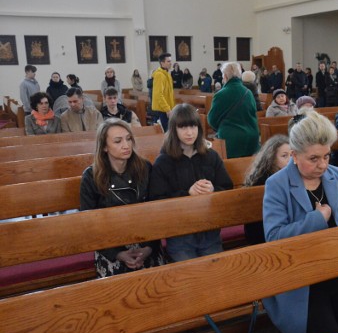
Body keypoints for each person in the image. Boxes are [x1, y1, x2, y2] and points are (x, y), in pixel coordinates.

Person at [262, 109, 338, 333]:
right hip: (302, 275)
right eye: (313, 159)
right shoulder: (277, 185)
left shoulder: (335, 176)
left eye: (326, 156)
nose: (322, 164)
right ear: (294, 155)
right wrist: (317, 218)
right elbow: (274, 238)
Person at [80, 119, 166, 278]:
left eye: (128, 139)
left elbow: (156, 212)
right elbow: (89, 225)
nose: (126, 145)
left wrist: (148, 248)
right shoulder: (91, 177)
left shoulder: (145, 167)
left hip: (147, 240)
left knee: (156, 280)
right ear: (104, 147)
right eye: (118, 141)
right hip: (110, 244)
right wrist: (117, 253)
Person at [149, 104, 232, 262]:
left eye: (193, 126)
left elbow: (227, 187)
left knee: (217, 276)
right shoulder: (163, 162)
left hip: (209, 231)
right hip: (180, 236)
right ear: (174, 130)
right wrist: (187, 194)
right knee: (191, 280)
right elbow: (157, 201)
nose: (189, 132)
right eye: (183, 127)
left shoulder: (211, 156)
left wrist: (213, 189)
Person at [243, 135, 292, 245]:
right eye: (284, 156)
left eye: (292, 155)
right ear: (272, 159)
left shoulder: (292, 176)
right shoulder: (262, 181)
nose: (290, 160)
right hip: (261, 232)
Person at [207, 62, 260, 158]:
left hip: (230, 140)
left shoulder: (220, 94)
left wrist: (221, 127)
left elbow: (211, 120)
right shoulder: (248, 93)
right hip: (251, 139)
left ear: (225, 76)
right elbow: (253, 114)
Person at [151, 53, 175, 132]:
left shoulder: (167, 74)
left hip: (166, 109)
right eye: (168, 61)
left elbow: (169, 93)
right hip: (161, 110)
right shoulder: (159, 75)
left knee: (169, 133)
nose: (170, 63)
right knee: (164, 134)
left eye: (170, 61)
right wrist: (167, 109)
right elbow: (158, 95)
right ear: (162, 63)